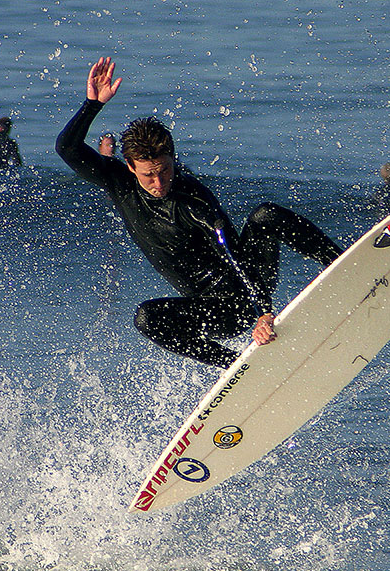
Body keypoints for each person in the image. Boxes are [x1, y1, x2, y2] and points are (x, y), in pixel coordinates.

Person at [56, 56, 342, 368]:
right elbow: (67, 149)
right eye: (148, 175)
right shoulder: (120, 183)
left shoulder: (192, 198)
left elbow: (232, 252)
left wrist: (262, 311)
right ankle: (236, 366)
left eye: (165, 170)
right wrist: (91, 105)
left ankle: (342, 264)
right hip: (212, 310)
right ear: (130, 167)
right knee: (147, 318)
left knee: (266, 215)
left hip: (247, 290)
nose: (159, 181)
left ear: (173, 158)